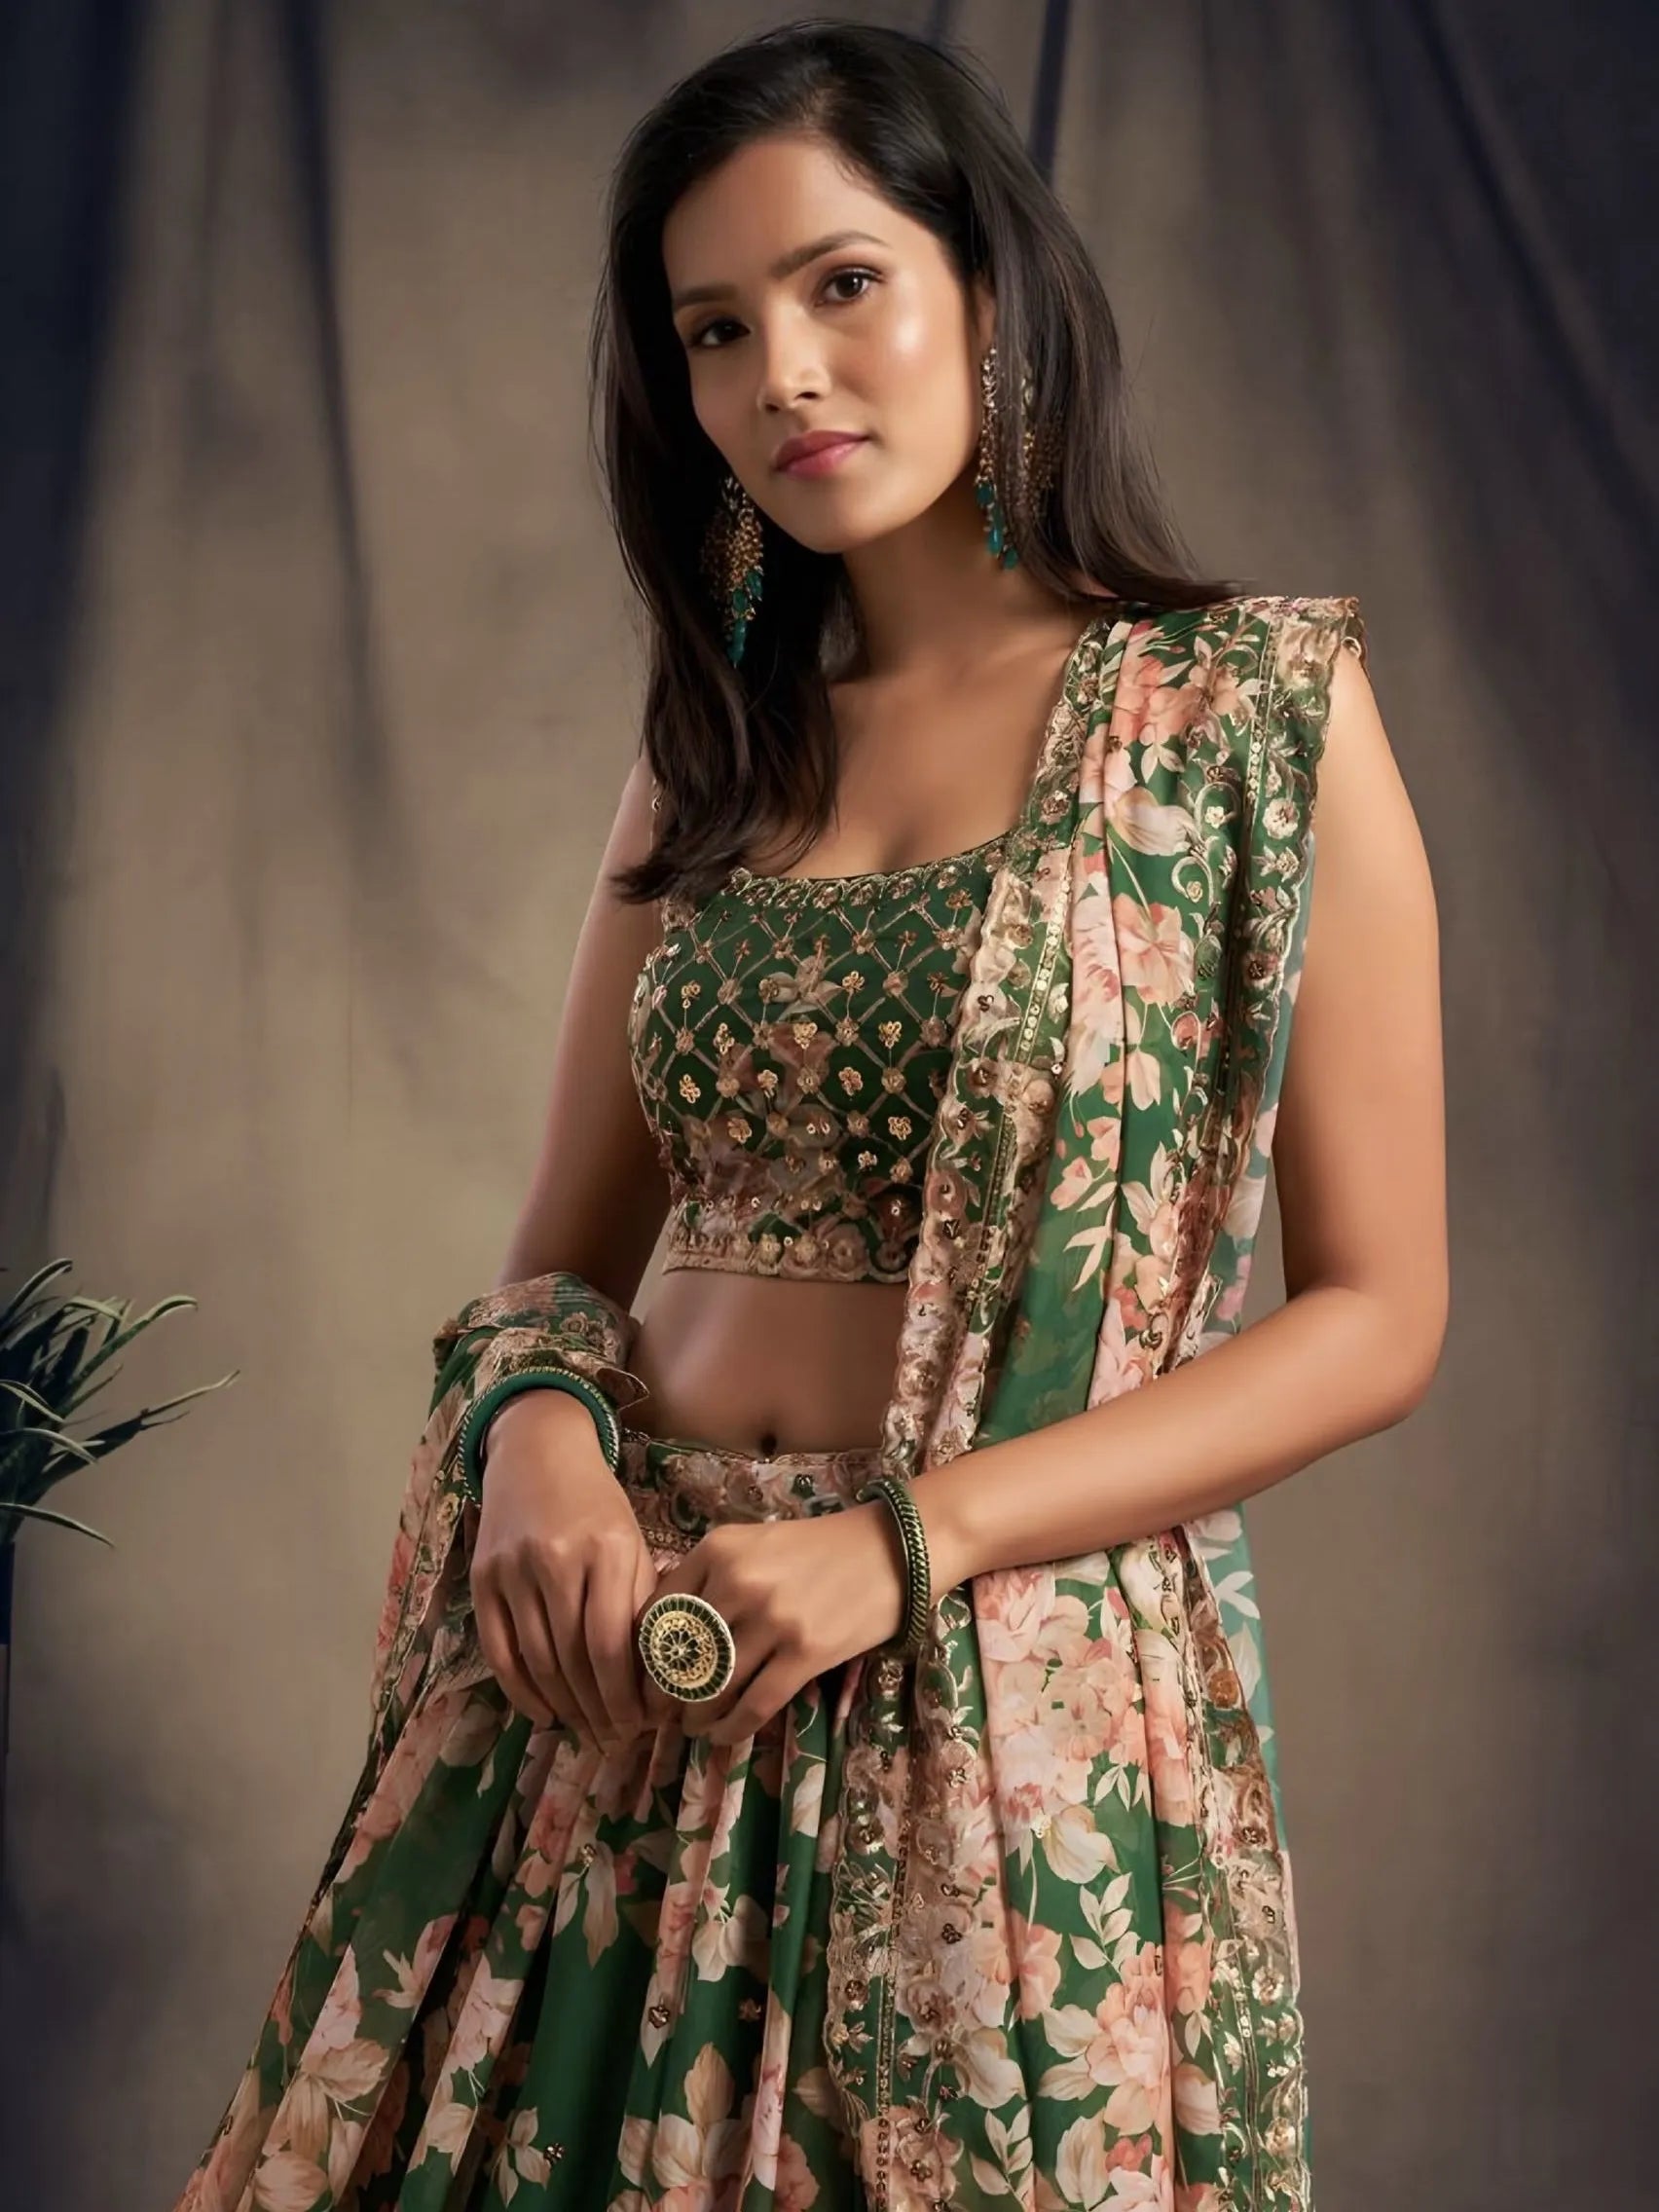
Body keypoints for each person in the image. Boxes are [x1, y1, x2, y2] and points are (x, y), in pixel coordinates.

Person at [174, 19, 1445, 2212]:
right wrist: (537, 1432)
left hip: (996, 1708)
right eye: (715, 329)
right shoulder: (715, 754)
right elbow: (560, 1262)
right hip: (618, 1702)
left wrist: (902, 1545)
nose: (785, 373)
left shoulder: (1244, 713)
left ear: (989, 289)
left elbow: (1377, 1312)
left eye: (844, 283)